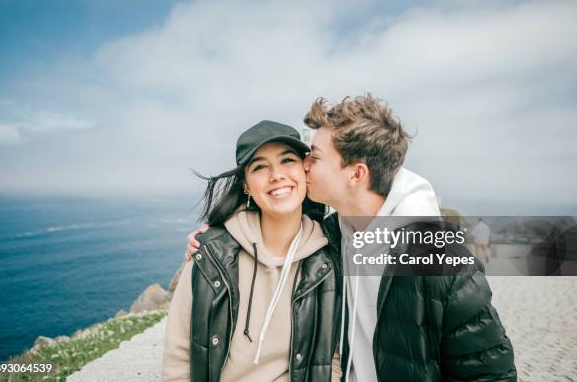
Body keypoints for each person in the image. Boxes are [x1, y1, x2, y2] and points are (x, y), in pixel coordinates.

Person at [187, 95, 517, 382]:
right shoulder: (329, 237)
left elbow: (487, 372)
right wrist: (220, 238)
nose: (304, 165)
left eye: (314, 157)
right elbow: (275, 215)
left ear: (357, 174)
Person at [163, 120, 342, 382]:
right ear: (246, 185)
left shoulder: (329, 257)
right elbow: (178, 359)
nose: (276, 175)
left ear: (305, 171)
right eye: (260, 167)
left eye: (287, 161)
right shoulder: (211, 255)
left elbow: (332, 359)